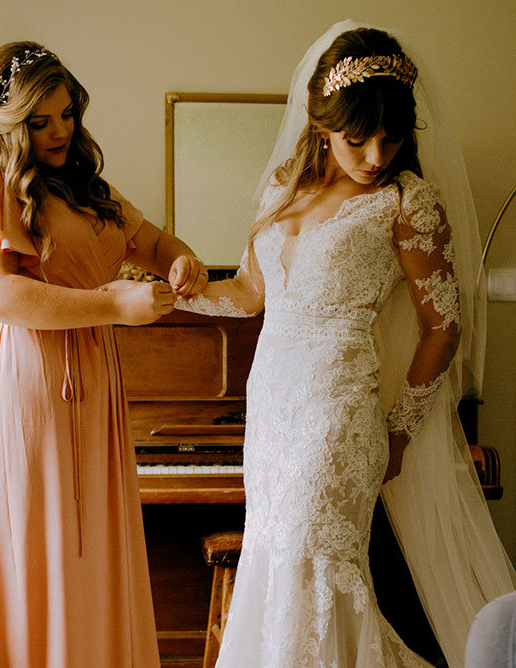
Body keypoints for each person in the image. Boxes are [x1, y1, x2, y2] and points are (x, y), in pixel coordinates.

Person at [172, 20, 516, 667]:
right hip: (272, 411)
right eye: (359, 138)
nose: (376, 153)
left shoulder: (406, 201)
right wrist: (186, 289)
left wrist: (401, 432)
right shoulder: (283, 188)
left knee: (315, 569)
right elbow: (249, 293)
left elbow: (445, 326)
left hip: (339, 411)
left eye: (391, 136)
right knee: (274, 564)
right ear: (323, 126)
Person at [0, 41, 208, 667]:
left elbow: (155, 242)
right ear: (5, 122)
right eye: (40, 121)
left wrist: (179, 260)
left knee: (94, 555)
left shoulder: (89, 188)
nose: (60, 131)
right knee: (35, 551)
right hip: (26, 391)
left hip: (96, 389)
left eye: (67, 114)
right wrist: (112, 306)